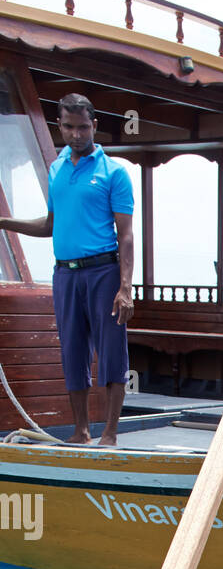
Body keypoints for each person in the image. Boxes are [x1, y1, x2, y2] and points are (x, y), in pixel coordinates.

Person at [0, 92, 134, 447]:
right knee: (72, 350)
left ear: (95, 126)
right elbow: (50, 225)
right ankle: (80, 430)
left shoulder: (114, 173)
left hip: (103, 272)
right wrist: (4, 221)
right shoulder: (57, 169)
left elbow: (127, 236)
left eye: (83, 127)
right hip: (65, 274)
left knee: (111, 351)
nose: (76, 134)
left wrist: (125, 287)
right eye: (69, 127)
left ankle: (109, 432)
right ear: (60, 127)